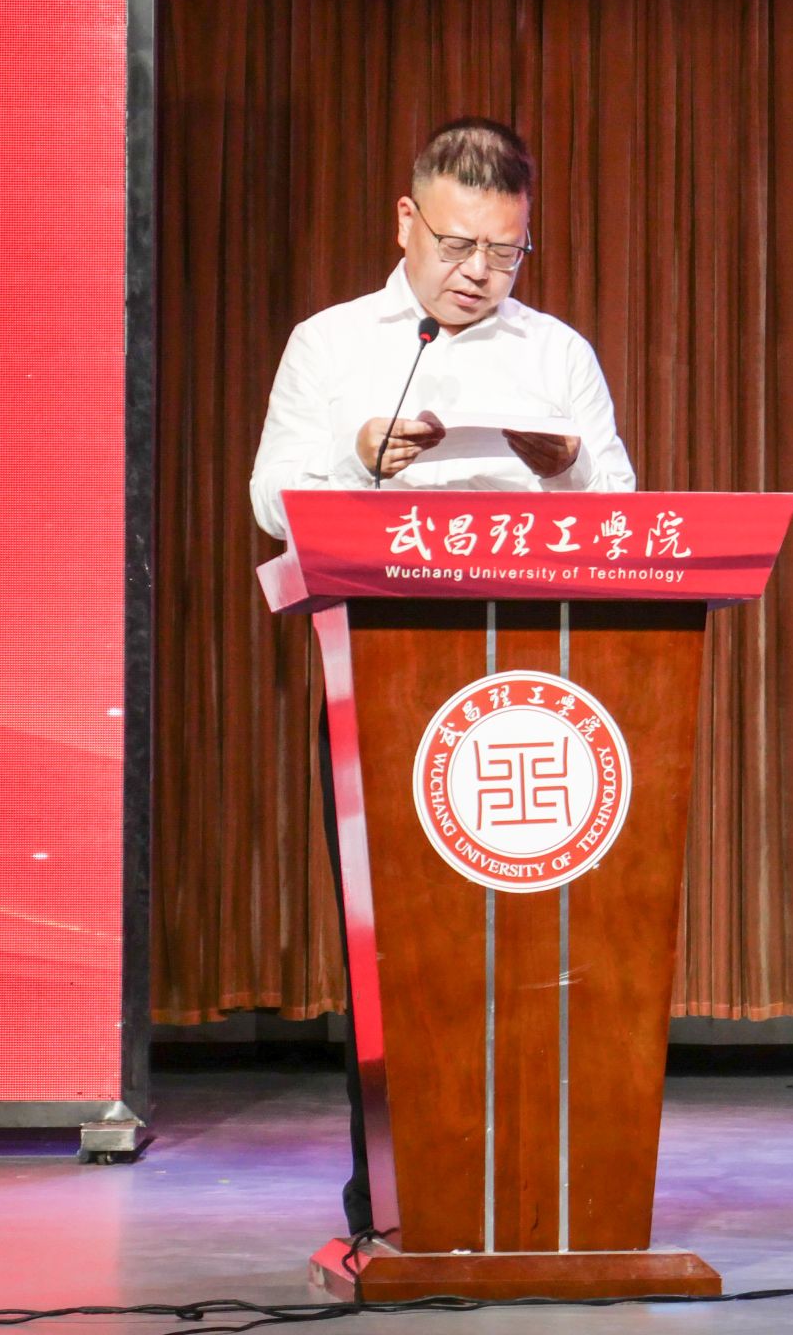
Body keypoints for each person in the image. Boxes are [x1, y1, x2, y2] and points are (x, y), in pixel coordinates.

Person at [249, 118, 637, 1236]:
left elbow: (623, 517)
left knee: (536, 949)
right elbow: (270, 504)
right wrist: (354, 460)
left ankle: (546, 1201)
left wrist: (567, 473)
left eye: (505, 253)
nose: (479, 274)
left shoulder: (555, 355)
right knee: (401, 951)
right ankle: (395, 1200)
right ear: (405, 223)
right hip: (380, 673)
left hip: (537, 686)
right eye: (459, 246)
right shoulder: (329, 345)